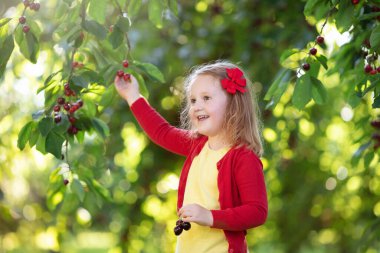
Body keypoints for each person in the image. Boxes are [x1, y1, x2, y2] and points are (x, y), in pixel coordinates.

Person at [114, 60, 268, 253]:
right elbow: (161, 132)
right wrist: (132, 95)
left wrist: (209, 216)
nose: (196, 106)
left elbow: (257, 212)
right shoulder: (198, 145)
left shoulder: (243, 157)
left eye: (206, 98)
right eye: (193, 100)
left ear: (233, 104)